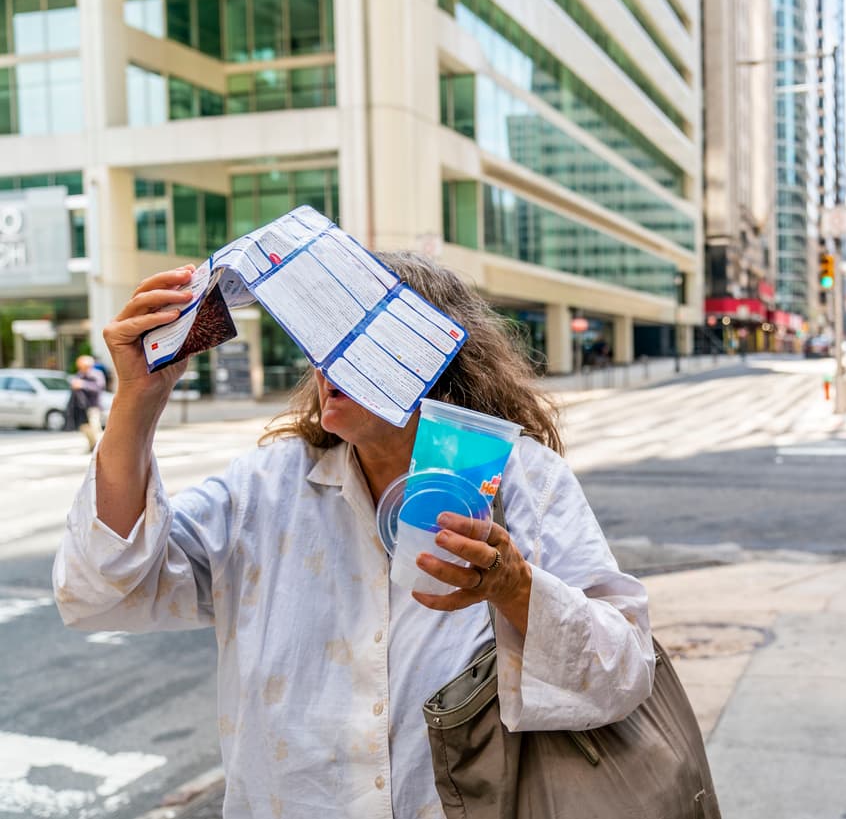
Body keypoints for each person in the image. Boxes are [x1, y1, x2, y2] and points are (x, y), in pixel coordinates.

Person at [53, 254, 655, 818]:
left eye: (361, 334)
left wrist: (514, 586)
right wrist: (138, 397)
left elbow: (621, 672)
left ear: (434, 353)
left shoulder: (521, 481)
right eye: (324, 335)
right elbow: (101, 591)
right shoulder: (267, 484)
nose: (327, 360)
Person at [68, 355, 106, 452]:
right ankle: (92, 446)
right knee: (84, 427)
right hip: (81, 406)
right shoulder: (79, 375)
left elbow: (99, 387)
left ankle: (100, 448)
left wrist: (82, 384)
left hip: (93, 406)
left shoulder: (96, 374)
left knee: (94, 427)